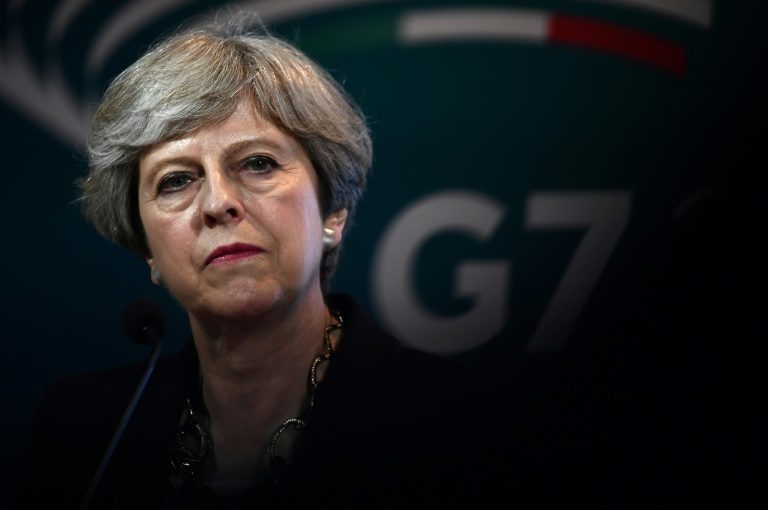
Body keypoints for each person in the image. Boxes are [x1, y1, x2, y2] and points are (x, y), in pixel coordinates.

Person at [16, 19, 530, 510]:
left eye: (257, 163)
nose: (218, 202)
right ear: (146, 246)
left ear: (332, 211)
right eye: (176, 180)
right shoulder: (84, 430)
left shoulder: (465, 424)